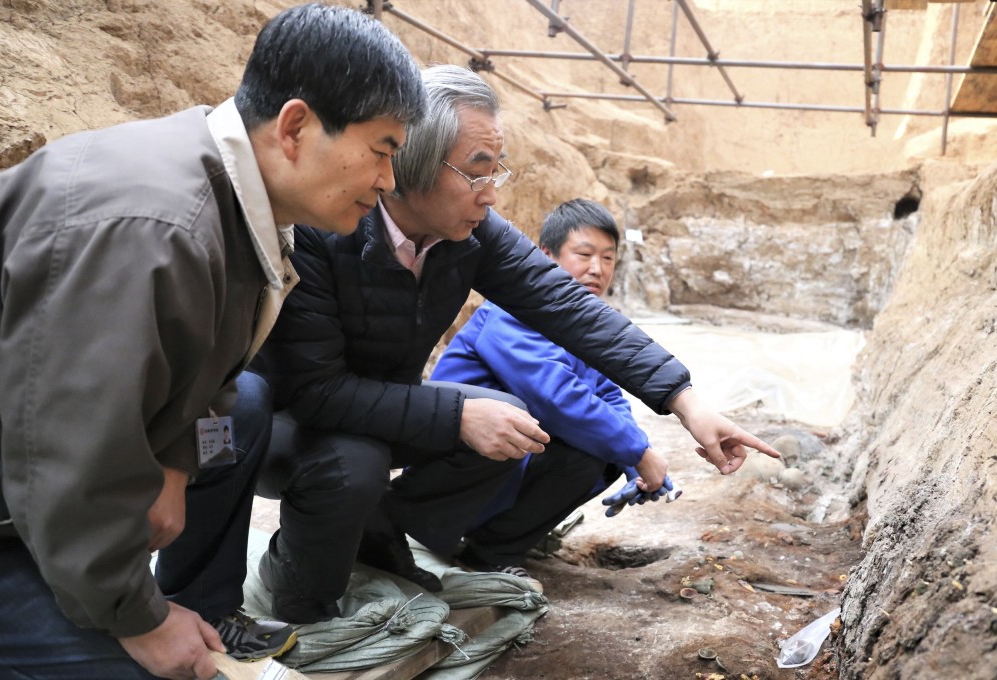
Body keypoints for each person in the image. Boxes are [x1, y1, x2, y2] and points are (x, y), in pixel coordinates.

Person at [0, 4, 426, 680]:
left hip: (27, 482)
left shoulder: (242, 206)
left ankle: (197, 604)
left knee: (245, 403)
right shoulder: (155, 229)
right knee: (154, 670)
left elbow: (220, 372)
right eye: (383, 150)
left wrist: (179, 466)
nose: (389, 181)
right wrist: (141, 618)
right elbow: (65, 458)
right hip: (2, 509)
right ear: (296, 127)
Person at [251, 64, 779, 626]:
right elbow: (313, 390)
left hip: (378, 411)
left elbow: (573, 310)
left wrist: (686, 402)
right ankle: (296, 585)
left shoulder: (470, 233)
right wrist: (456, 414)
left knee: (508, 418)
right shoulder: (322, 226)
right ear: (412, 162)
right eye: (477, 172)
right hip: (291, 421)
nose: (491, 192)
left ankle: (383, 535)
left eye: (496, 170)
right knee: (356, 461)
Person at [393, 198, 681, 575]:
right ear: (545, 256)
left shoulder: (587, 325)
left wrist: (633, 462)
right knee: (523, 424)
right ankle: (414, 528)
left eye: (608, 258)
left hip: (503, 474)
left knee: (597, 454)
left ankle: (491, 553)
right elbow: (556, 396)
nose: (597, 269)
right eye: (584, 254)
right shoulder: (509, 313)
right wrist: (640, 451)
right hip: (452, 475)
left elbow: (609, 395)